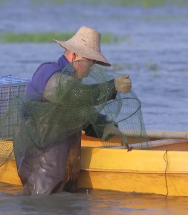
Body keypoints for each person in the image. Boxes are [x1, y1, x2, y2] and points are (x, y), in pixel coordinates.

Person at [15, 26, 132, 195]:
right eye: (90, 61)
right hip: (41, 170)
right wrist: (111, 87)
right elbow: (70, 95)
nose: (92, 68)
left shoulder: (74, 85)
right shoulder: (49, 72)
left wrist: (107, 128)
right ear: (74, 56)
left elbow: (82, 115)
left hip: (65, 171)